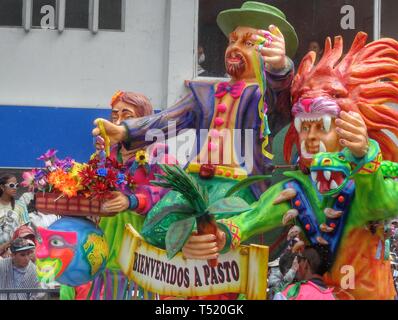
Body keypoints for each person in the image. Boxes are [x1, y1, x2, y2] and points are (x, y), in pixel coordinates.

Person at [181, 32, 398, 300]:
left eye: (322, 126)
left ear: (346, 128)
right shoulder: (297, 188)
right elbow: (253, 216)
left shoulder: (367, 177)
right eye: (304, 127)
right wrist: (219, 234)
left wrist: (366, 157)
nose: (311, 136)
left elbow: (384, 203)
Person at [92, 2, 298, 251]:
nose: (234, 48)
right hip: (195, 180)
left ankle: (206, 264)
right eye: (232, 41)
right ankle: (188, 260)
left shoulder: (265, 95)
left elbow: (282, 97)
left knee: (217, 232)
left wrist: (279, 68)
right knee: (155, 227)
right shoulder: (205, 93)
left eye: (248, 43)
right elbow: (167, 119)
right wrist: (125, 130)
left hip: (238, 185)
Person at [0, 175, 30, 252]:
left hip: (15, 250)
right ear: (2, 187)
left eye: (17, 185)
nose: (15, 188)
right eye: (12, 185)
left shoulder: (21, 206)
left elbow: (24, 231)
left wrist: (8, 246)